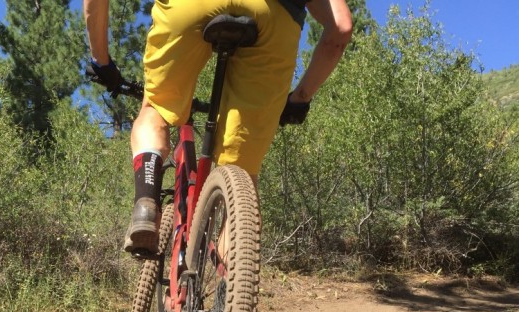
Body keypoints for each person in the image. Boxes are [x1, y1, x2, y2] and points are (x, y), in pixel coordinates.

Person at [84, 0, 353, 257]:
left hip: (188, 8)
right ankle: (231, 293)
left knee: (154, 110)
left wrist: (101, 60)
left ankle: (145, 205)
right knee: (242, 171)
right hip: (275, 17)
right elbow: (341, 28)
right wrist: (300, 99)